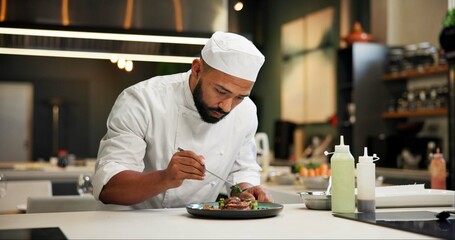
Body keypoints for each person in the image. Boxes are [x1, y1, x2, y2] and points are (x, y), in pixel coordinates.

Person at [93, 31, 273, 209]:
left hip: (200, 224)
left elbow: (241, 170)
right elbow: (108, 187)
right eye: (220, 91)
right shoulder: (142, 100)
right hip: (130, 225)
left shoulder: (246, 110)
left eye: (239, 97)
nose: (227, 106)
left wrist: (246, 191)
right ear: (197, 69)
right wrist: (164, 178)